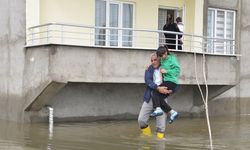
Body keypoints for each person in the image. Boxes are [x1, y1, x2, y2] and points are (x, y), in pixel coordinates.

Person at [138, 53, 170, 139]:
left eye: (155, 60)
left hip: (161, 98)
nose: (153, 62)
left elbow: (172, 78)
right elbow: (147, 81)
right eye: (151, 60)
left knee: (161, 125)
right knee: (141, 120)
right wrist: (157, 88)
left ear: (159, 59)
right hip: (149, 97)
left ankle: (159, 142)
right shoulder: (149, 69)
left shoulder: (165, 67)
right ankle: (147, 138)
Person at [150, 46, 180, 124]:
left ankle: (158, 109)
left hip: (172, 81)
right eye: (160, 56)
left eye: (162, 56)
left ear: (166, 53)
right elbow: (155, 63)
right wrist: (149, 66)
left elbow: (177, 71)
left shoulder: (172, 59)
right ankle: (173, 112)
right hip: (167, 81)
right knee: (159, 98)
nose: (161, 58)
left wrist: (167, 71)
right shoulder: (162, 59)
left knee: (155, 91)